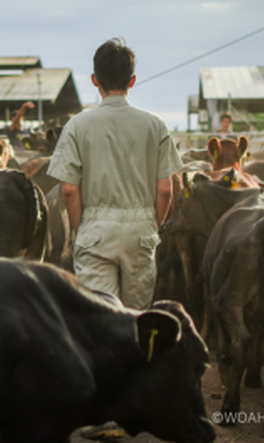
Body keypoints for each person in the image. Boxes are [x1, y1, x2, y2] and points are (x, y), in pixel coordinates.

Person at [47, 38, 183, 310]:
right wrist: (149, 226)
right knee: (136, 318)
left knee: (99, 316)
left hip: (95, 228)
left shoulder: (77, 126)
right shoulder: (155, 125)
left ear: (95, 80)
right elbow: (166, 190)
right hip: (141, 227)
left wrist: (79, 230)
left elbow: (69, 189)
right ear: (132, 81)